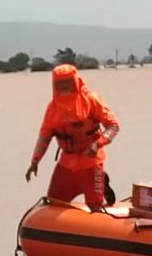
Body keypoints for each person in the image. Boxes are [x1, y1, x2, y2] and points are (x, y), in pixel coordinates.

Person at [25, 64, 119, 211]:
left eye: (67, 81)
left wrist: (97, 144)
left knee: (95, 206)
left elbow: (113, 126)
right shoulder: (53, 107)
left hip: (91, 160)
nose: (63, 86)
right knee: (54, 203)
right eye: (59, 83)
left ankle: (101, 184)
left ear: (75, 80)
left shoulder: (91, 100)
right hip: (67, 162)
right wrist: (35, 161)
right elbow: (45, 135)